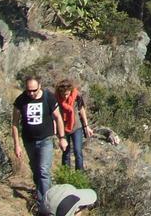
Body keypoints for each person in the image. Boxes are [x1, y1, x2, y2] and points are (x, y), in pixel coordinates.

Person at [12, 75, 68, 214]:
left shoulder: (48, 98)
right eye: (28, 90)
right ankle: (45, 192)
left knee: (43, 171)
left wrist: (62, 138)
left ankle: (45, 205)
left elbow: (58, 118)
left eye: (34, 90)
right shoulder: (21, 100)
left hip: (46, 140)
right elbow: (14, 124)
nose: (31, 93)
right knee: (36, 170)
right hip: (29, 141)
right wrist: (16, 145)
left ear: (40, 86)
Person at [55, 78, 94, 170]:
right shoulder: (55, 99)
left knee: (78, 151)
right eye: (63, 94)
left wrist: (86, 126)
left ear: (70, 91)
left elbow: (81, 110)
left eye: (67, 94)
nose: (65, 96)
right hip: (63, 128)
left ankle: (79, 175)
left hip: (77, 127)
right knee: (66, 152)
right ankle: (66, 176)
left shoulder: (77, 96)